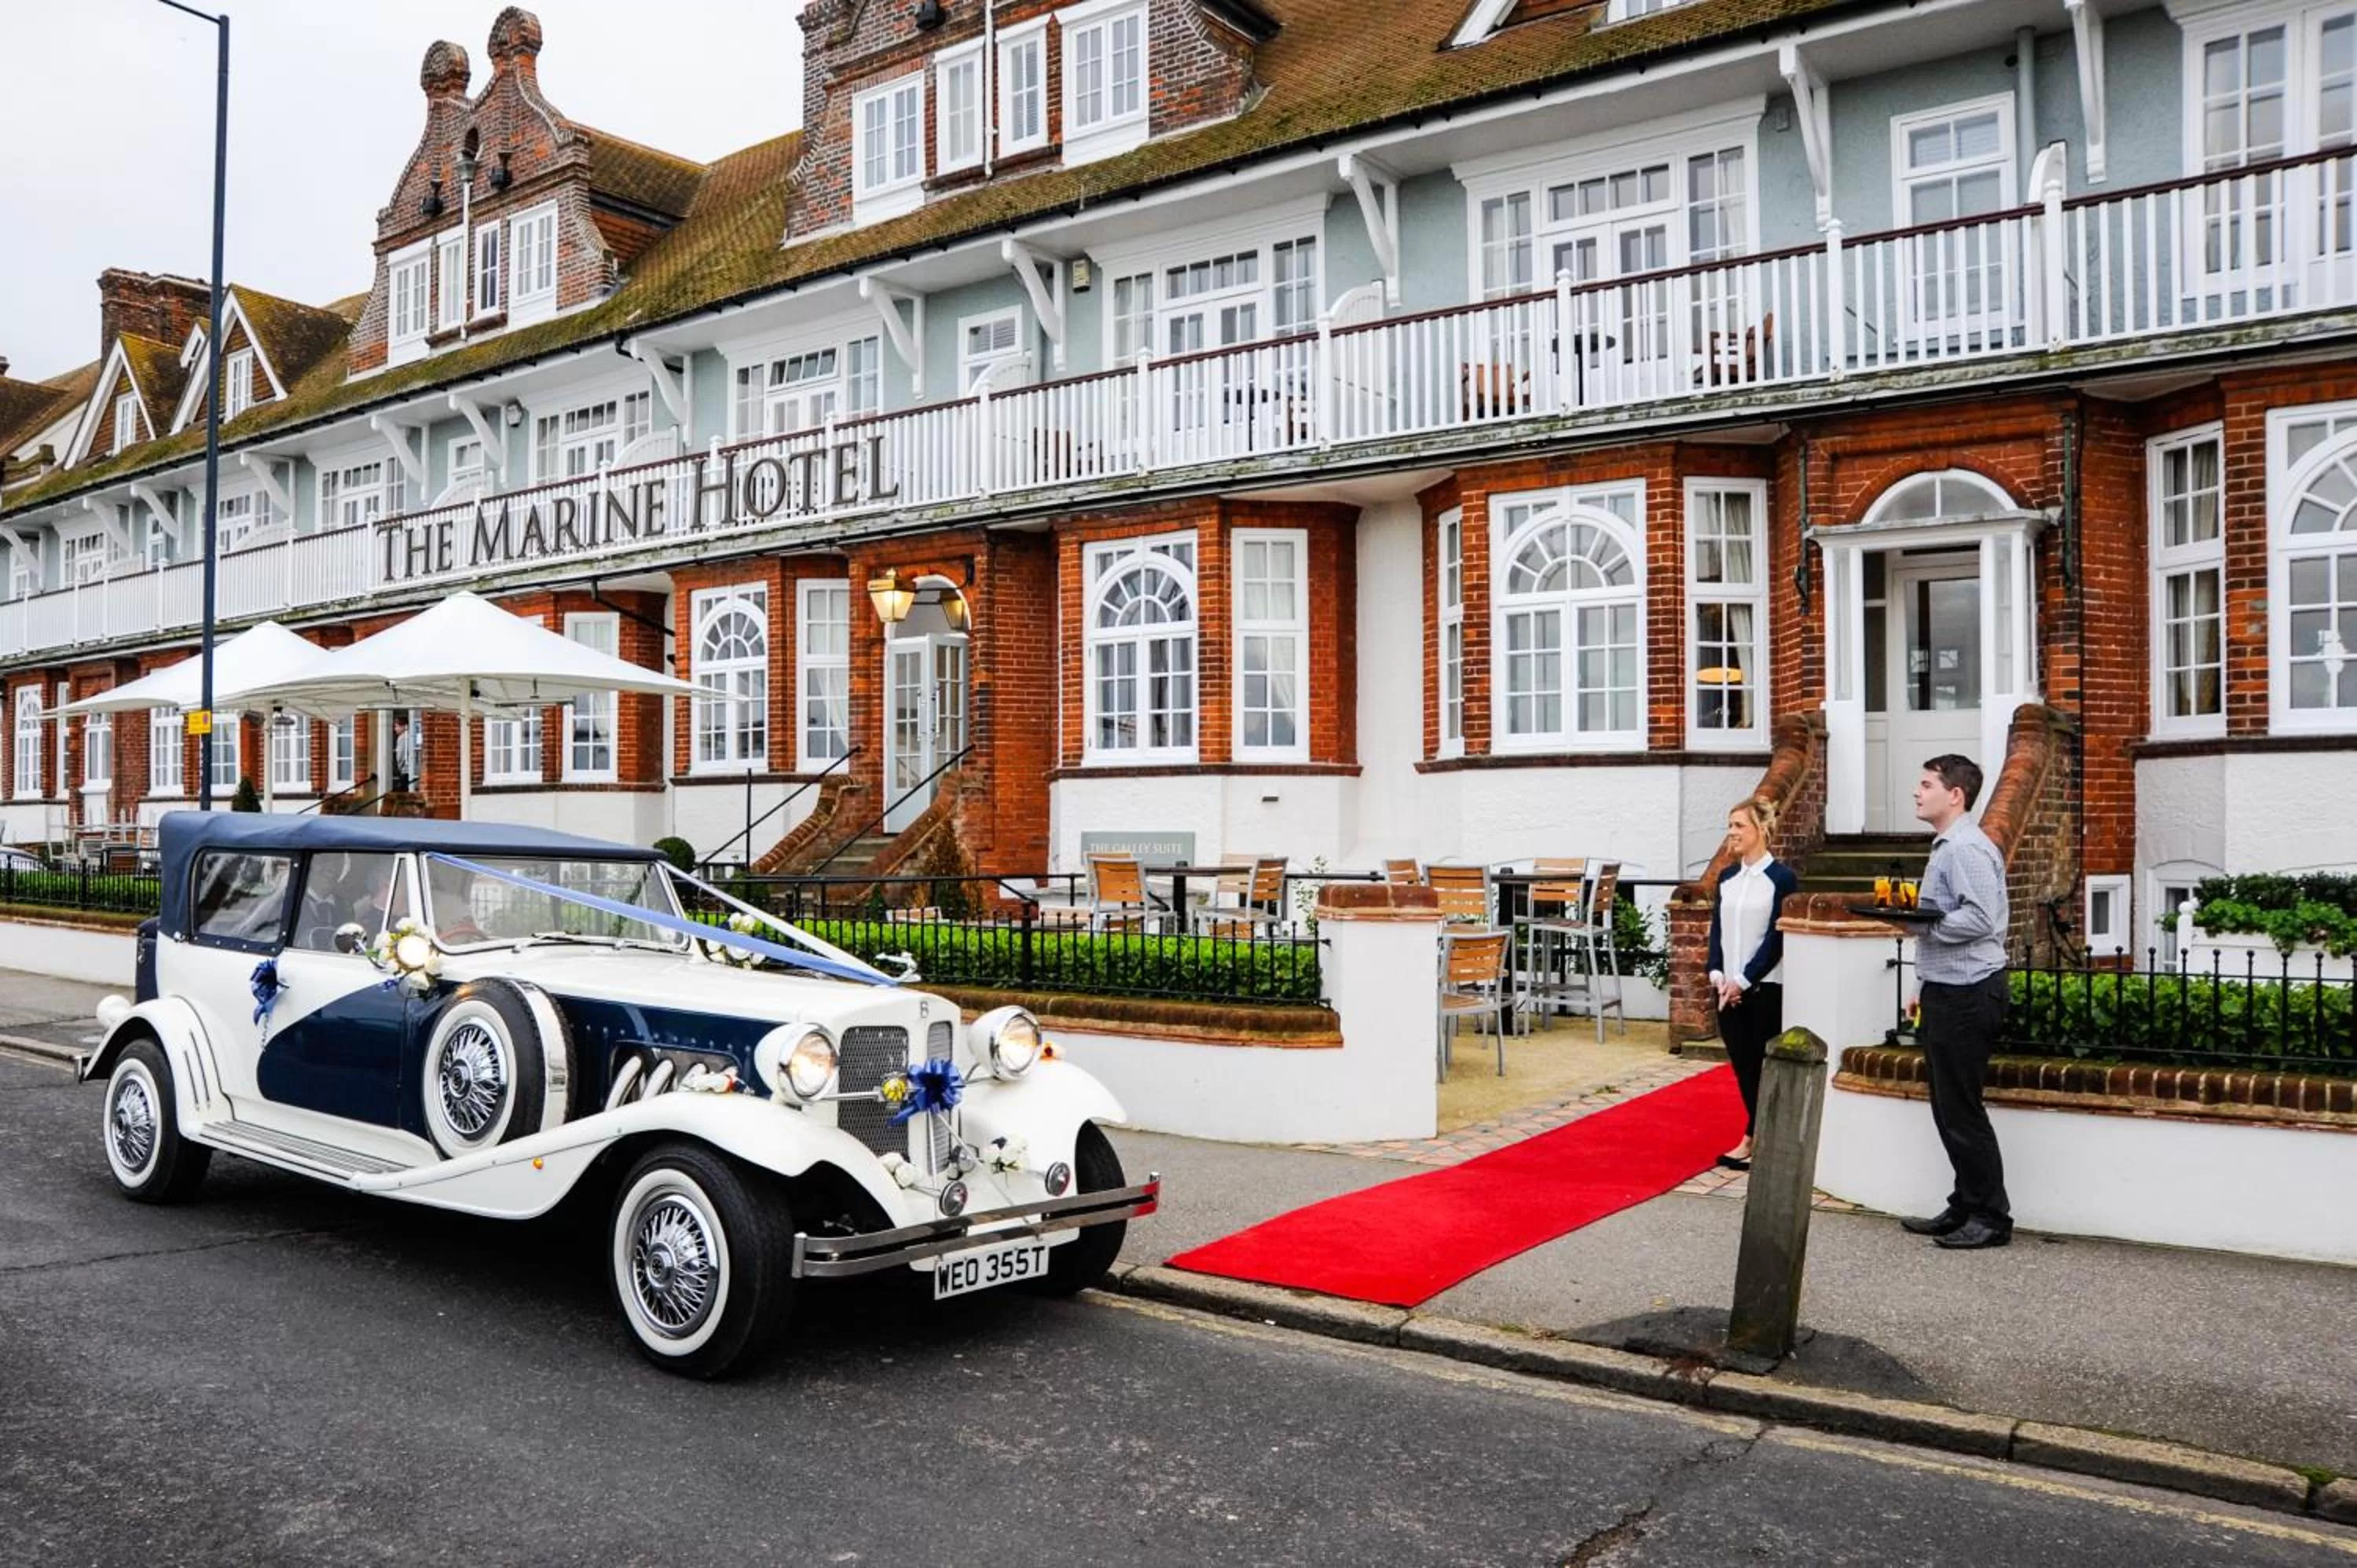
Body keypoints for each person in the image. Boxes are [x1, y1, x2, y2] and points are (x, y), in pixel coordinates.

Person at [1901, 753, 2014, 1251]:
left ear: (1955, 795)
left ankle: (1991, 1217)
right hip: (1948, 989)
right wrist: (1921, 984)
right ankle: (1966, 1204)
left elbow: (1981, 918)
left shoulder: (1965, 847)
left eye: (1927, 784)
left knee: (1962, 1110)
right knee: (1948, 1108)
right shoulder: (1949, 845)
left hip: (1970, 993)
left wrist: (1924, 927)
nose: (1917, 792)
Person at [1704, 797, 1799, 1171]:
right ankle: (1757, 1134)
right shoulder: (1727, 878)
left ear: (1761, 829)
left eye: (1739, 825)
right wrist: (1717, 973)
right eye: (1730, 825)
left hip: (1764, 989)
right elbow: (1717, 930)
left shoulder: (1782, 879)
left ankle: (1753, 1138)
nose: (1732, 832)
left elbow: (1777, 938)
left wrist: (1744, 979)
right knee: (1743, 1068)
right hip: (1726, 991)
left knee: (1762, 1066)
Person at [390, 713, 418, 793]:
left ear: (404, 726)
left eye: (396, 726)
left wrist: (399, 767)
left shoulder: (402, 738)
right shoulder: (413, 736)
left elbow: (400, 756)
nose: (395, 729)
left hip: (405, 770)